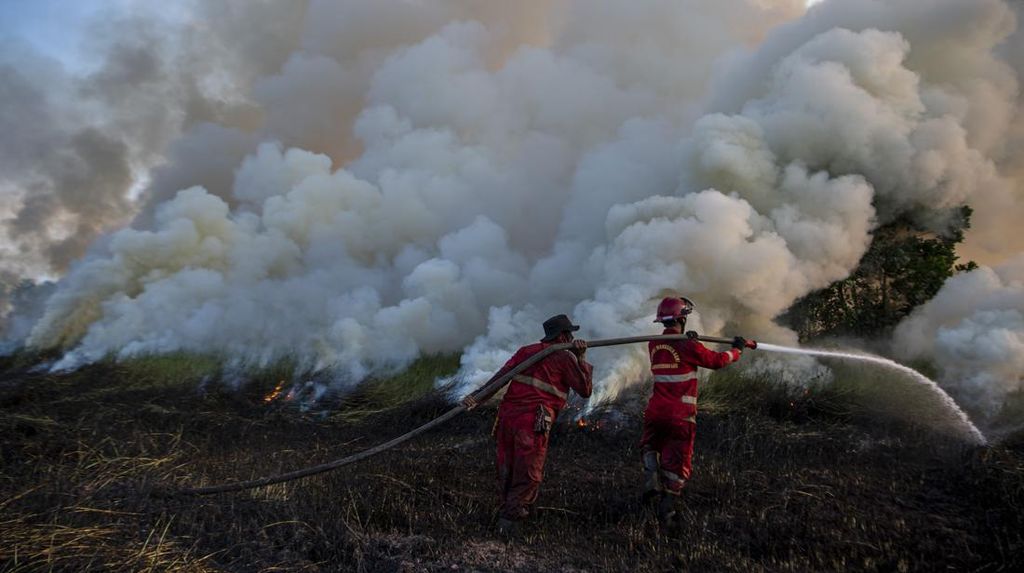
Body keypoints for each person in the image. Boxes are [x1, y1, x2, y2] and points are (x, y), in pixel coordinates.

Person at [463, 314, 593, 534]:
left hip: (507, 417)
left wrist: (476, 397)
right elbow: (585, 390)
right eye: (570, 333)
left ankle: (511, 515)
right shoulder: (564, 357)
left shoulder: (526, 351)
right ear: (563, 336)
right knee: (528, 472)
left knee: (508, 468)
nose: (572, 337)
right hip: (533, 421)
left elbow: (501, 377)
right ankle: (510, 526)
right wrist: (580, 358)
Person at [642, 296, 747, 523]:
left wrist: (691, 341)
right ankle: (667, 510)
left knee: (651, 444)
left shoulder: (653, 343)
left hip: (655, 411)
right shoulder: (688, 345)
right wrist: (736, 350)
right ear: (682, 318)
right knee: (678, 462)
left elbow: (675, 348)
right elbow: (716, 361)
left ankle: (651, 474)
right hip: (680, 415)